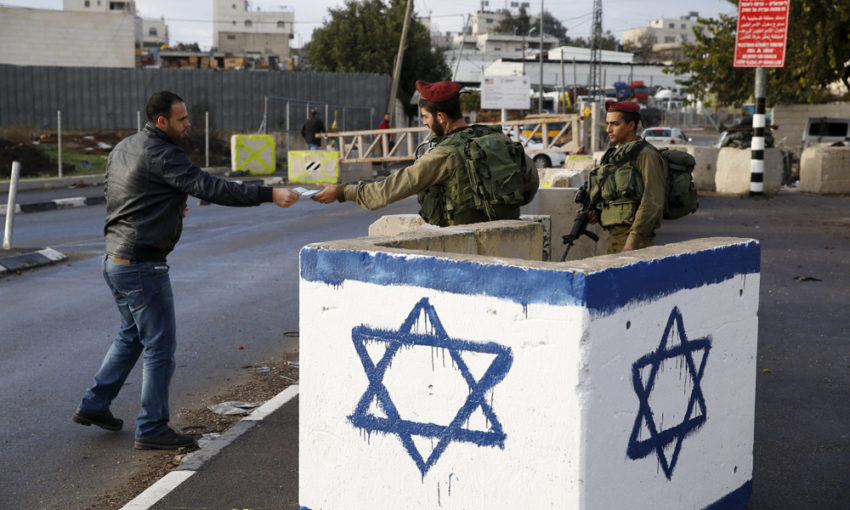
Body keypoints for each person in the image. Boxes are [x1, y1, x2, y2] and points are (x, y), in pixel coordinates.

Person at [72, 91, 300, 450]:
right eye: (181, 119)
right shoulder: (164, 153)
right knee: (159, 346)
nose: (188, 124)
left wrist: (165, 207)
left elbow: (118, 193)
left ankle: (94, 404)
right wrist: (268, 194)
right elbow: (210, 187)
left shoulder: (123, 147)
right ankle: (151, 428)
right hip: (142, 263)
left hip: (114, 259)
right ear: (161, 121)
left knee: (131, 336)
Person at [311, 80, 539, 226]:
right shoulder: (499, 138)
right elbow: (531, 183)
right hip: (509, 234)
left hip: (462, 246)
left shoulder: (444, 155)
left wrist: (342, 192)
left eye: (427, 118)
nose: (425, 124)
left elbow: (382, 193)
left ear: (441, 117)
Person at [586, 100, 665, 253]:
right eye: (607, 124)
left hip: (634, 241)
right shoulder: (614, 155)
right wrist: (596, 212)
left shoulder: (646, 154)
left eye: (615, 124)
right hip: (612, 237)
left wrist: (632, 243)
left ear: (631, 126)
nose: (609, 129)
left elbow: (652, 200)